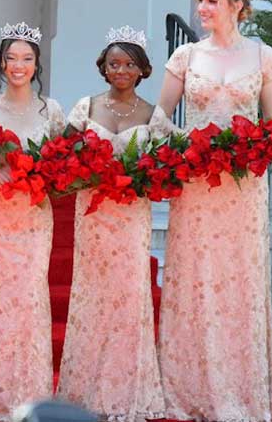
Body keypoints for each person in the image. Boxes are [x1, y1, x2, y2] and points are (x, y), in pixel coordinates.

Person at [157, 0, 272, 422]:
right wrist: (188, 144)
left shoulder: (263, 56)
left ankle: (241, 393)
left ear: (237, 6)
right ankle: (190, 391)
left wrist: (257, 149)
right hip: (197, 185)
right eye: (200, 1)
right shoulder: (186, 57)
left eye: (211, 1)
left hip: (244, 189)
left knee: (238, 281)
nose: (202, 8)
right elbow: (160, 119)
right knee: (197, 279)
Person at [56, 26, 169, 422]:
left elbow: (167, 165)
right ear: (103, 68)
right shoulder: (85, 108)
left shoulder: (153, 115)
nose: (121, 70)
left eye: (129, 64)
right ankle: (85, 389)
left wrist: (147, 177)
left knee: (128, 297)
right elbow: (60, 152)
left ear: (142, 70)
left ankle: (125, 390)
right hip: (93, 213)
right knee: (93, 295)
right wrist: (79, 170)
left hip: (131, 216)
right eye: (114, 64)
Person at [0, 21, 65, 421]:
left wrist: (42, 175)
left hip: (34, 218)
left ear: (37, 64)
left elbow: (63, 169)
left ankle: (29, 392)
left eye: (26, 58)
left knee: (29, 300)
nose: (18, 65)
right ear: (2, 63)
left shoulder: (51, 111)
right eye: (11, 58)